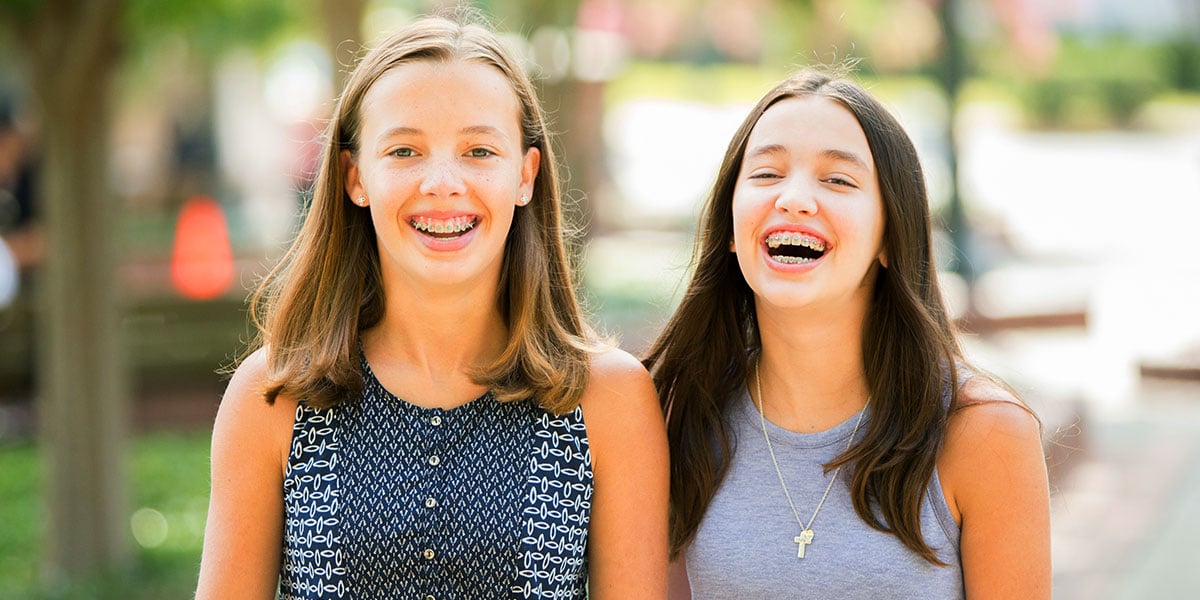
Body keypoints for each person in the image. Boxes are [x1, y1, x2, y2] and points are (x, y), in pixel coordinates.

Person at [196, 14, 668, 600]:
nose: (442, 182)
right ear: (354, 176)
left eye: (478, 150)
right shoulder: (273, 396)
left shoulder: (607, 398)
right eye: (403, 150)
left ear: (525, 175)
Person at [643, 68, 1050, 599]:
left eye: (838, 180)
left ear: (890, 236)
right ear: (730, 230)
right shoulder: (681, 413)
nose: (794, 198)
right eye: (766, 174)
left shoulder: (985, 433)